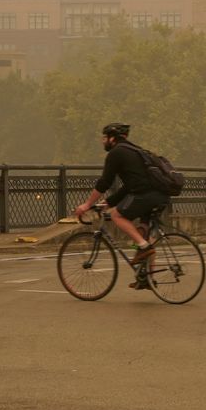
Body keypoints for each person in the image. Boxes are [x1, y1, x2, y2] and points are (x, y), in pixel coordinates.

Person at [73, 122, 170, 288]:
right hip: (160, 195)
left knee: (117, 216)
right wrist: (109, 202)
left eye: (105, 137)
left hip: (145, 195)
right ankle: (147, 278)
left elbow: (104, 182)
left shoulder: (116, 153)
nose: (103, 141)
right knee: (144, 234)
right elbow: (129, 186)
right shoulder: (135, 150)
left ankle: (143, 247)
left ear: (112, 138)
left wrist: (87, 204)